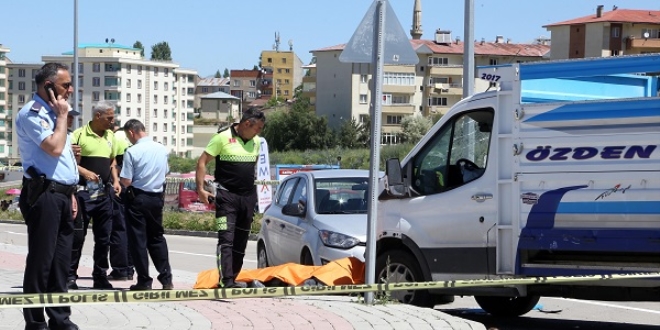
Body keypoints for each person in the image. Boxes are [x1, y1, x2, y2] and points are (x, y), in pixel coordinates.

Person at [16, 62, 79, 330]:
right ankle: (35, 321)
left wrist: (72, 192)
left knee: (61, 263)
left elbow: (63, 161)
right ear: (49, 86)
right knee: (41, 261)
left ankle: (60, 318)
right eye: (66, 85)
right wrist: (63, 116)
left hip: (63, 195)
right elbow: (53, 148)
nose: (71, 90)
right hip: (44, 194)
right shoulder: (33, 114)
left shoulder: (55, 115)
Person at [196, 108, 265, 288]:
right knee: (226, 239)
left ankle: (233, 278)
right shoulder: (221, 138)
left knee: (241, 241)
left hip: (248, 198)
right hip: (226, 197)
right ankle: (225, 280)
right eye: (258, 128)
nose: (259, 132)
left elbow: (253, 163)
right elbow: (202, 162)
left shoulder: (256, 142)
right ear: (247, 124)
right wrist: (201, 189)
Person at [67, 100, 127, 290]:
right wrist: (84, 172)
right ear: (98, 116)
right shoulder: (78, 135)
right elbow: (67, 162)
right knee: (78, 237)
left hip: (104, 194)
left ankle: (100, 276)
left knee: (104, 238)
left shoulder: (112, 136)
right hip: (84, 194)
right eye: (109, 117)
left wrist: (116, 181)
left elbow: (112, 162)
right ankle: (70, 275)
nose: (113, 121)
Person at [120, 119, 173, 290]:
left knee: (138, 240)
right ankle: (166, 279)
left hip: (138, 198)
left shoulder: (132, 151)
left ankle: (144, 280)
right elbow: (166, 171)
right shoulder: (161, 148)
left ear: (131, 132)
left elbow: (126, 180)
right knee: (157, 238)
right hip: (157, 198)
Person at [107, 124, 134, 281]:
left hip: (119, 186)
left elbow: (112, 163)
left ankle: (120, 269)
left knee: (118, 229)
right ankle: (130, 268)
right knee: (132, 229)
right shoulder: (133, 139)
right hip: (134, 188)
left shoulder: (115, 137)